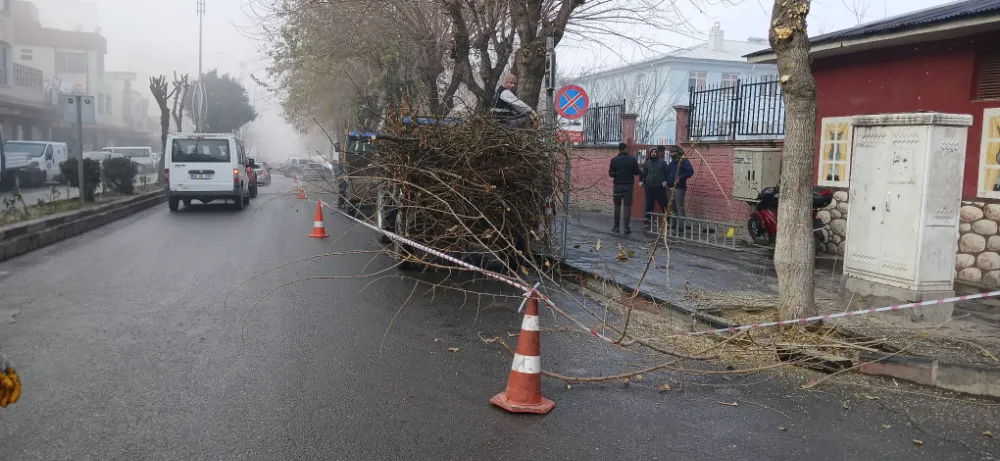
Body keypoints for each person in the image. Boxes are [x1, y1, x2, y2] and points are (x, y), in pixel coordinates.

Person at [608, 142, 640, 233]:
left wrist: (617, 174)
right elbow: (637, 172)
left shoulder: (614, 160)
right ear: (625, 149)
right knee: (627, 207)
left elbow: (611, 174)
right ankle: (626, 228)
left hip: (617, 186)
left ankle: (616, 227)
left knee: (617, 206)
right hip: (628, 186)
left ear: (619, 149)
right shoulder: (632, 159)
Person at [664, 145, 694, 231]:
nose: (671, 154)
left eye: (672, 152)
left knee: (679, 207)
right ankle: (673, 225)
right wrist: (666, 181)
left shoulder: (683, 161)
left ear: (677, 153)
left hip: (679, 187)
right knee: (672, 207)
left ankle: (681, 227)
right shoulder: (672, 163)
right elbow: (669, 174)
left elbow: (690, 171)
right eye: (670, 153)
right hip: (670, 187)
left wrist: (680, 177)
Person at [640, 145, 670, 226]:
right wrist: (642, 182)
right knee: (649, 204)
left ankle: (668, 221)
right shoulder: (647, 163)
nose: (653, 153)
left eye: (654, 152)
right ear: (650, 153)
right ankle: (647, 221)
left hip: (660, 187)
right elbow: (644, 173)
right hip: (649, 187)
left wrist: (666, 181)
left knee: (663, 204)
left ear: (657, 153)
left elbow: (668, 173)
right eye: (652, 152)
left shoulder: (662, 163)